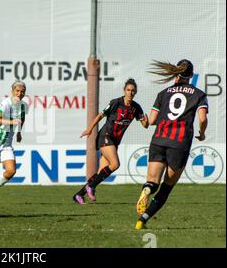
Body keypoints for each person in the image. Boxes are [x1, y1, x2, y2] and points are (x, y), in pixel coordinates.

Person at [135, 59, 208, 229]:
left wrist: (143, 120)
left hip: (158, 140)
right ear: (191, 76)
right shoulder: (198, 94)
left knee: (152, 181)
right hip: (179, 144)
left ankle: (146, 190)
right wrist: (202, 133)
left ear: (176, 73)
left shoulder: (163, 93)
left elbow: (151, 121)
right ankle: (142, 220)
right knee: (166, 188)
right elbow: (202, 118)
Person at [73, 78, 149, 204]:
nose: (130, 93)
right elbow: (100, 115)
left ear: (135, 92)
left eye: (133, 91)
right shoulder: (116, 103)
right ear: (124, 91)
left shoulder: (136, 107)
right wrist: (89, 129)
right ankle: (90, 187)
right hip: (105, 136)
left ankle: (79, 194)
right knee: (115, 164)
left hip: (114, 141)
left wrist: (146, 122)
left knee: (99, 173)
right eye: (128, 90)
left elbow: (145, 125)